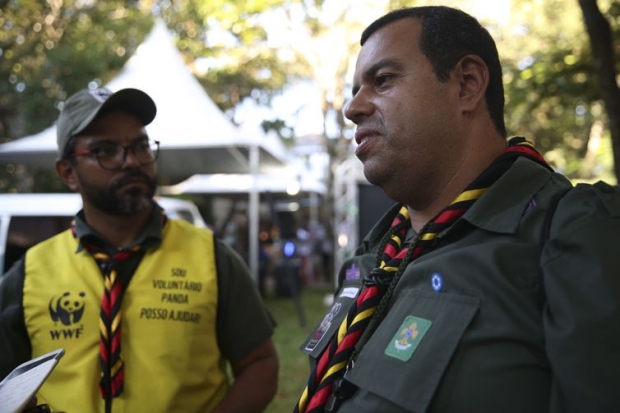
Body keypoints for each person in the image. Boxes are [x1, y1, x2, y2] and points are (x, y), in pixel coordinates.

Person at [296, 6, 620, 413]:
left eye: (382, 80)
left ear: (467, 84)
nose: (353, 108)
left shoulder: (576, 233)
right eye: (355, 89)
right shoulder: (375, 253)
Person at [0, 87, 278, 412]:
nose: (131, 161)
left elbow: (260, 365)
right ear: (68, 173)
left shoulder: (211, 257)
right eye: (106, 150)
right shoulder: (30, 273)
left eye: (140, 145)